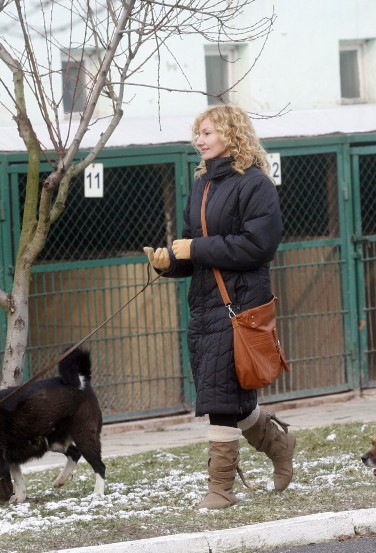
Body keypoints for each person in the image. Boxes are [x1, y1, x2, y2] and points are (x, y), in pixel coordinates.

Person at [143, 104, 295, 510]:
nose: (199, 140)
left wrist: (196, 247)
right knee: (226, 396)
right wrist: (170, 263)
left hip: (241, 305)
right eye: (198, 134)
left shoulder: (255, 184)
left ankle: (220, 490)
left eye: (207, 133)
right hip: (207, 305)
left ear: (231, 134)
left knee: (220, 401)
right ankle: (279, 446)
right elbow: (195, 250)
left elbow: (259, 246)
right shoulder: (203, 186)